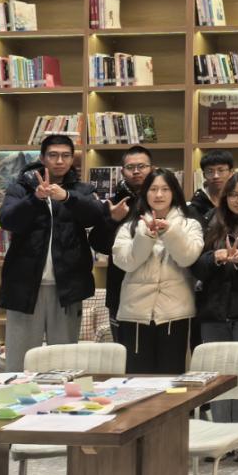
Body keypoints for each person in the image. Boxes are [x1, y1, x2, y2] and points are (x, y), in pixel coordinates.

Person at [0, 135, 103, 371]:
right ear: (42, 158)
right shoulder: (20, 188)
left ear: (72, 159)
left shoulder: (82, 189)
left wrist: (67, 197)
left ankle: (61, 397)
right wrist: (35, 199)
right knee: (20, 361)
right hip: (24, 287)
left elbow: (96, 216)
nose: (59, 161)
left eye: (66, 155)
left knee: (64, 363)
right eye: (53, 155)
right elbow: (7, 221)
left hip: (67, 287)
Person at [191, 172, 238, 461]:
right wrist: (215, 258)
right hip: (213, 311)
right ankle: (219, 437)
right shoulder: (211, 220)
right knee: (217, 376)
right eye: (233, 194)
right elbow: (196, 266)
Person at [113, 168, 204, 374]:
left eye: (165, 189)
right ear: (145, 193)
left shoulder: (190, 225)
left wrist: (169, 231)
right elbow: (125, 263)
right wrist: (146, 235)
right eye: (153, 189)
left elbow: (187, 258)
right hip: (135, 313)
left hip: (176, 313)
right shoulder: (130, 226)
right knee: (137, 379)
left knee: (173, 379)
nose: (159, 194)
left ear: (174, 192)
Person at [87, 145, 152, 341]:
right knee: (124, 350)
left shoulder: (164, 200)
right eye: (130, 167)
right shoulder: (113, 202)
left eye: (142, 166)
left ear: (152, 169)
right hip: (121, 288)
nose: (136, 171)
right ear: (122, 171)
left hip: (158, 290)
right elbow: (98, 244)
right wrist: (112, 220)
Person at [190, 149, 235, 221]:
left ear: (231, 172)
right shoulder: (197, 204)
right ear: (204, 175)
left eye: (221, 170)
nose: (216, 176)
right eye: (210, 171)